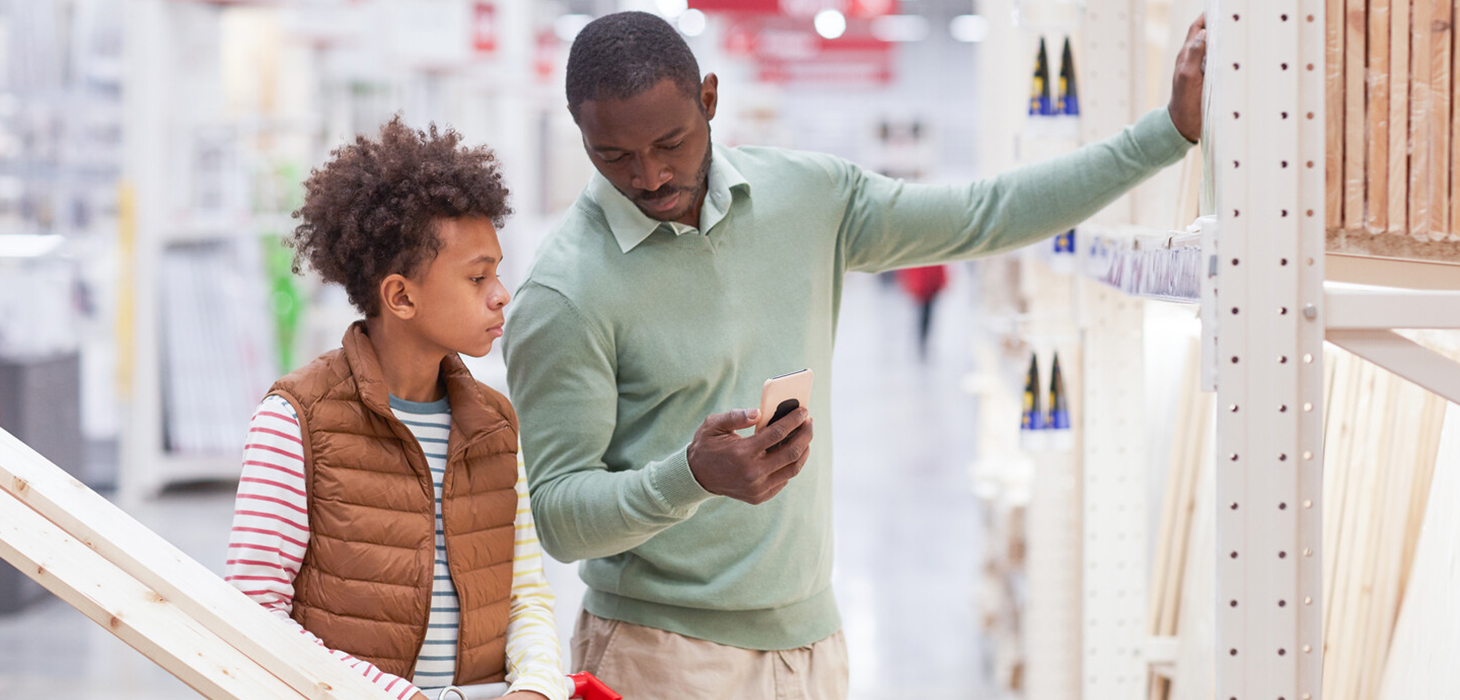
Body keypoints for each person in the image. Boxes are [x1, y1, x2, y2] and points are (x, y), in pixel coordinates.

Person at [504, 11, 1208, 699]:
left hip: (813, 643)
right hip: (661, 657)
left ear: (710, 99)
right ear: (582, 136)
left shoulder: (807, 197)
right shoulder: (565, 291)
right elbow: (562, 519)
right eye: (614, 156)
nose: (650, 176)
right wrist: (688, 477)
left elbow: (982, 214)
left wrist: (1167, 134)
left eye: (671, 142)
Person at [224, 117, 567, 700]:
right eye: (477, 276)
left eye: (498, 271)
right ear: (401, 295)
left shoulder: (495, 423)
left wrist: (536, 688)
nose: (501, 292)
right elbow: (253, 614)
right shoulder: (295, 419)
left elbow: (525, 596)